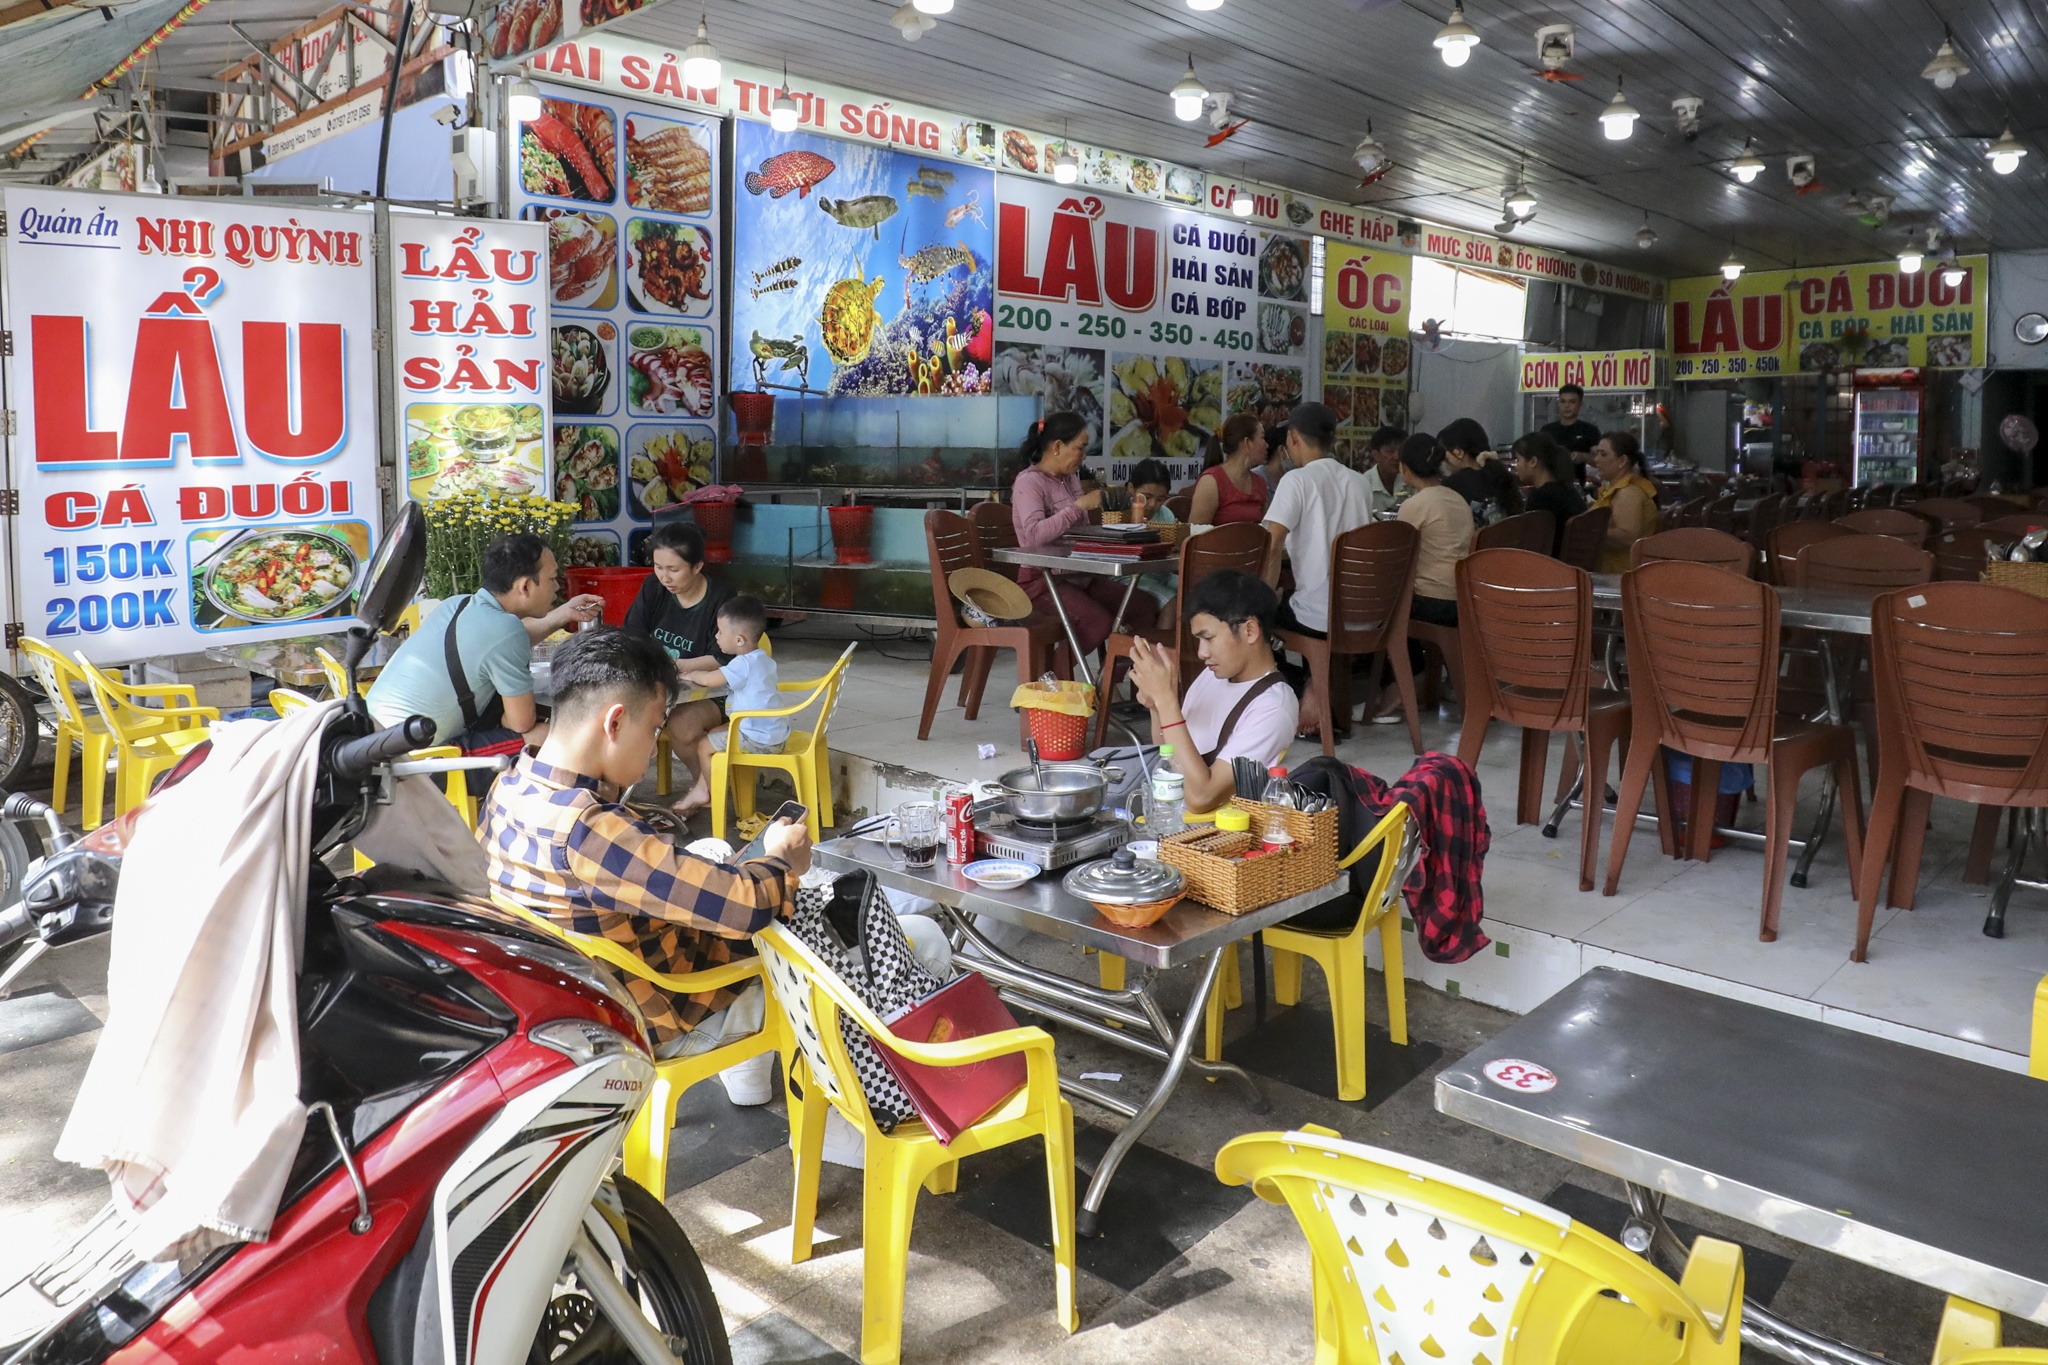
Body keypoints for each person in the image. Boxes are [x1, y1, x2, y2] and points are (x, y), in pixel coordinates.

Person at [478, 625, 810, 1104]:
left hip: (580, 999)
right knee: (820, 949)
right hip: (666, 1015)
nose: (655, 745)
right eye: (654, 728)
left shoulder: (510, 786)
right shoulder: (590, 831)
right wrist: (782, 857)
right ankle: (841, 1124)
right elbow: (750, 906)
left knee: (711, 853)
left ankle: (747, 1074)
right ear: (614, 722)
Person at [367, 533, 602, 755]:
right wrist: (504, 718)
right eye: (552, 579)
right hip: (414, 761)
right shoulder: (505, 631)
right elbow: (521, 723)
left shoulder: (457, 604)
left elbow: (505, 641)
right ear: (525, 587)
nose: (558, 587)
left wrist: (564, 613)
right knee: (546, 735)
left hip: (373, 739)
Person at [1127, 571, 1298, 813]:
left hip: (1219, 828)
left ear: (1250, 631)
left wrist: (1167, 701)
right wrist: (1156, 707)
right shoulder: (1213, 675)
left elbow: (1202, 798)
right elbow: (1169, 756)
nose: (1202, 653)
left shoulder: (1273, 707)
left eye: (1209, 638)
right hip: (1173, 813)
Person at [1261, 401, 1373, 738]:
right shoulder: (1359, 482)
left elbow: (1271, 544)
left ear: (1293, 438)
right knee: (1299, 598)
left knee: (1255, 618)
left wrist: (1262, 597)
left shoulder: (1296, 481)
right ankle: (1319, 684)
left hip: (1319, 616)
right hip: (1365, 613)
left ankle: (1305, 691)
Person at [1011, 412, 1158, 658]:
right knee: (1097, 622)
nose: (1084, 456)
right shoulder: (1029, 482)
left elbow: (1082, 529)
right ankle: (1054, 677)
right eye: (1080, 448)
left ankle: (1110, 676)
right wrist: (1079, 506)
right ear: (1058, 447)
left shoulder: (1070, 479)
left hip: (1079, 576)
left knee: (1142, 606)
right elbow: (1034, 535)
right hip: (1042, 581)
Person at [622, 521, 736, 780]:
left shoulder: (722, 599)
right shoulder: (654, 587)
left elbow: (723, 658)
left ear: (697, 566)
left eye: (674, 569)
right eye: (658, 567)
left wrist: (678, 667)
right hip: (663, 685)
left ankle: (706, 788)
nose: (665, 577)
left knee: (683, 725)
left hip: (716, 690)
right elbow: (633, 635)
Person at [669, 595, 784, 816]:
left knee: (704, 746)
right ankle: (702, 789)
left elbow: (709, 680)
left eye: (721, 632)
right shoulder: (761, 658)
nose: (716, 636)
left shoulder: (742, 664)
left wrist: (691, 674)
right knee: (715, 733)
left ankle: (713, 796)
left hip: (756, 737)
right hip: (772, 731)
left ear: (739, 640)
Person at [1590, 429, 1661, 572]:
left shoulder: (1628, 493)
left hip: (1619, 573)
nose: (1596, 459)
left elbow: (1627, 537)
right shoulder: (1620, 488)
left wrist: (1586, 529)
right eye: (1596, 454)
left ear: (1622, 461)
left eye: (1603, 454)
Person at [1511, 431, 1586, 556]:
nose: (1515, 466)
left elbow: (1530, 545)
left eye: (1518, 460)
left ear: (1533, 462)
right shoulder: (1569, 490)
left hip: (1549, 564)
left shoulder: (1540, 497)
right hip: (1571, 563)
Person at [1187, 414, 1270, 526]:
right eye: (1262, 437)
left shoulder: (1260, 483)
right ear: (1247, 442)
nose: (1266, 445)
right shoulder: (1210, 482)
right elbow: (1195, 533)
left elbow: (1265, 528)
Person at [1438, 418, 1523, 522]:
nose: (1444, 461)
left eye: (1444, 454)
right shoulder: (1501, 474)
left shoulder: (1453, 484)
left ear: (1459, 452)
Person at [1125, 458, 1180, 618]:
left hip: (1162, 575)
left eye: (1160, 499)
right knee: (1171, 602)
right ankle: (1162, 635)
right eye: (1146, 497)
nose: (1152, 505)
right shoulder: (1120, 514)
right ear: (1131, 488)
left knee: (1195, 592)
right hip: (1129, 577)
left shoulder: (1166, 515)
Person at [1541, 383, 1604, 468]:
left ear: (1580, 404)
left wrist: (1583, 457)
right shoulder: (1547, 430)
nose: (1566, 406)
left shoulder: (1590, 430)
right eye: (1563, 401)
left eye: (1572, 402)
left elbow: (1600, 461)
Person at [1362, 424, 1407, 516]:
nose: (1396, 457)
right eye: (1390, 451)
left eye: (1400, 451)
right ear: (1375, 455)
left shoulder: (1411, 480)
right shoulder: (1364, 484)